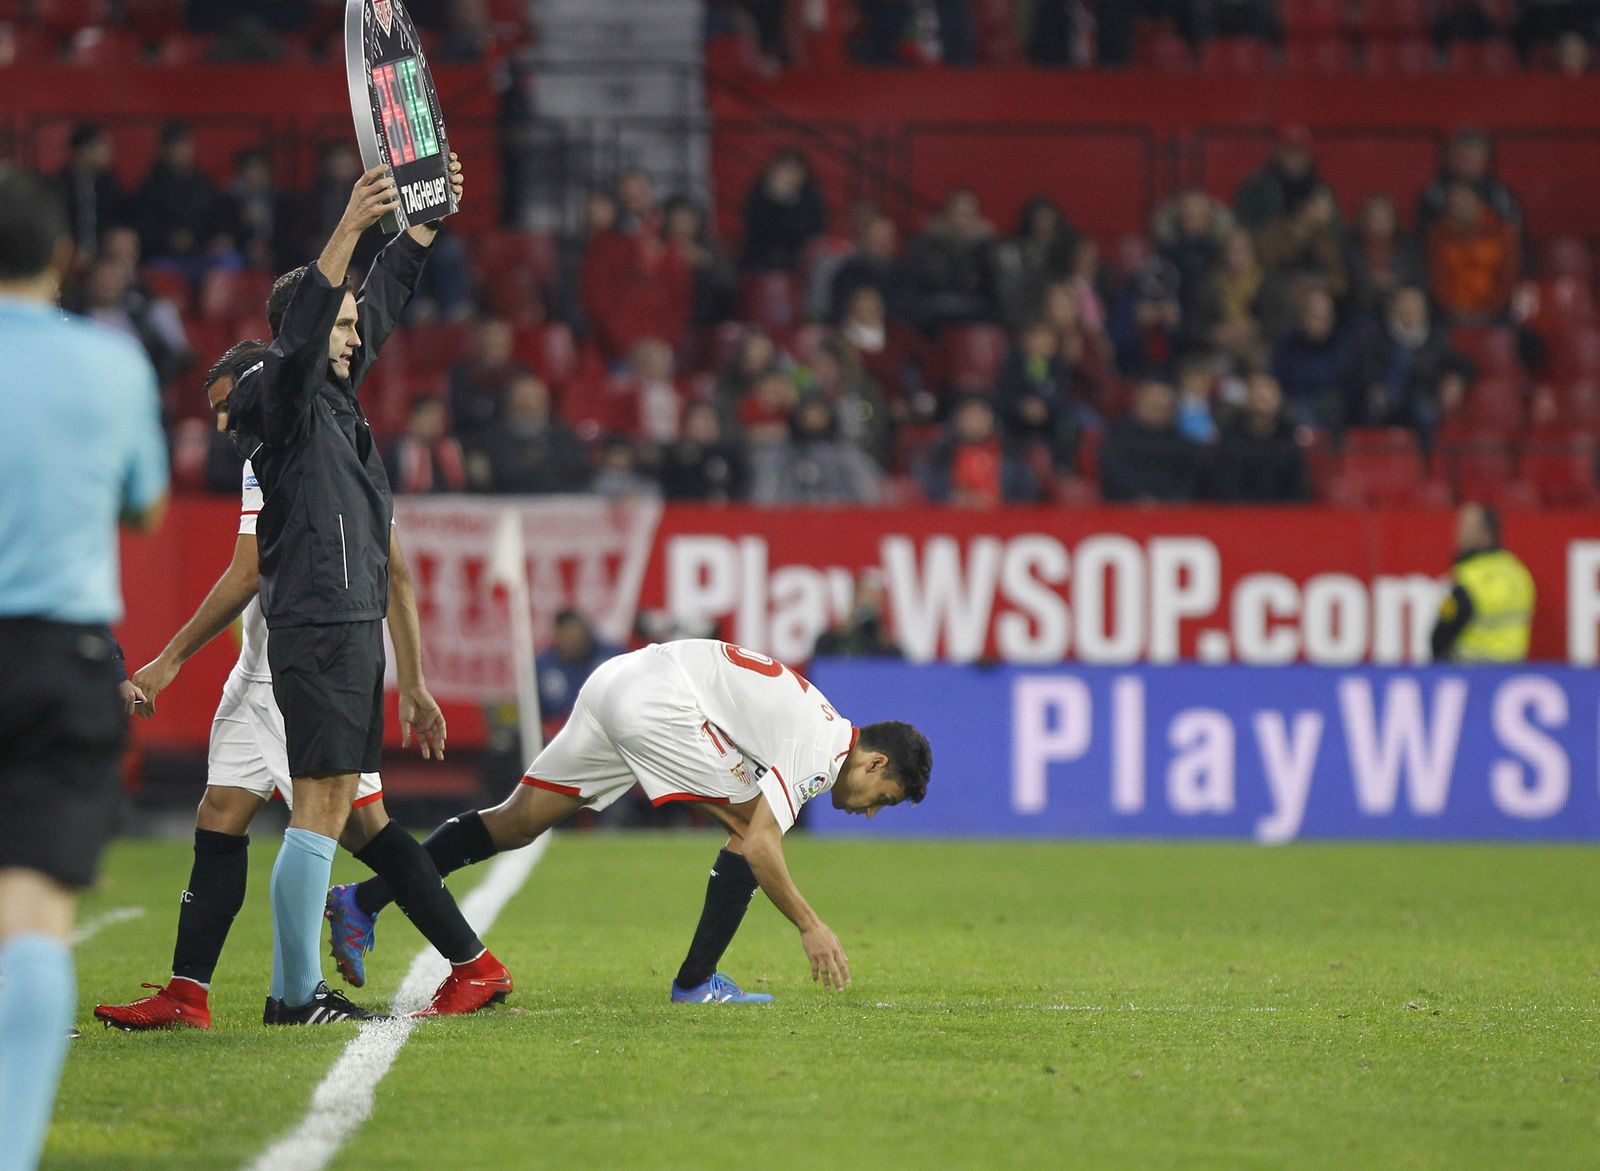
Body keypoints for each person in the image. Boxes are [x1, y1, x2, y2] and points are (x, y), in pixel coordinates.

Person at [93, 344, 508, 1030]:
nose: (226, 423)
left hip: (303, 668)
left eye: (230, 404)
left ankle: (468, 966)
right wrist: (413, 682)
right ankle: (186, 993)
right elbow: (396, 572)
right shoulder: (338, 443)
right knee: (220, 813)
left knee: (363, 825)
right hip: (265, 667)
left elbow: (250, 572)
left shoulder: (282, 449)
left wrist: (165, 662)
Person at [329, 639, 933, 1003]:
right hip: (655, 701)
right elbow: (760, 846)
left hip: (619, 680)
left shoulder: (815, 721)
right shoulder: (824, 745)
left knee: (515, 823)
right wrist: (810, 925)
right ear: (875, 762)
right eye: (884, 794)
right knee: (752, 832)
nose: (872, 810)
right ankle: (696, 983)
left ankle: (363, 901)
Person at [222, 156, 465, 1025]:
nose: (357, 336)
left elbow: (384, 302)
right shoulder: (277, 393)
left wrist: (422, 227)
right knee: (323, 803)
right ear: (306, 326)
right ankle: (293, 995)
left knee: (330, 803)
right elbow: (305, 338)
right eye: (343, 324)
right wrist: (350, 226)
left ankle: (296, 992)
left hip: (348, 620)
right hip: (321, 621)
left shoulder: (333, 398)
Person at [0, 165, 168, 1171]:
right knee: (35, 915)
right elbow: (147, 503)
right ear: (64, 258)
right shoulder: (111, 363)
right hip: (60, 655)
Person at [1430, 503, 1536, 662]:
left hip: (1471, 671)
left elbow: (1441, 635)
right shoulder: (1518, 572)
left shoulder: (1469, 578)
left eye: (1467, 527)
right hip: (1512, 669)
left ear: (1486, 534)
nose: (1459, 533)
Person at [1098, 380, 1206, 503]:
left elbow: (1192, 479)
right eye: (1153, 407)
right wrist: (1139, 498)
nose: (1159, 413)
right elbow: (1115, 475)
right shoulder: (1117, 440)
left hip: (1176, 511)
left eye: (1164, 408)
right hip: (1126, 509)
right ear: (1138, 405)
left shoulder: (1186, 445)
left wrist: (1176, 499)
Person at [535, 610, 623, 727]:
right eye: (566, 637)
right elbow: (535, 715)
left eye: (576, 636)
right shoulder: (543, 667)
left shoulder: (612, 658)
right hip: (561, 737)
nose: (572, 642)